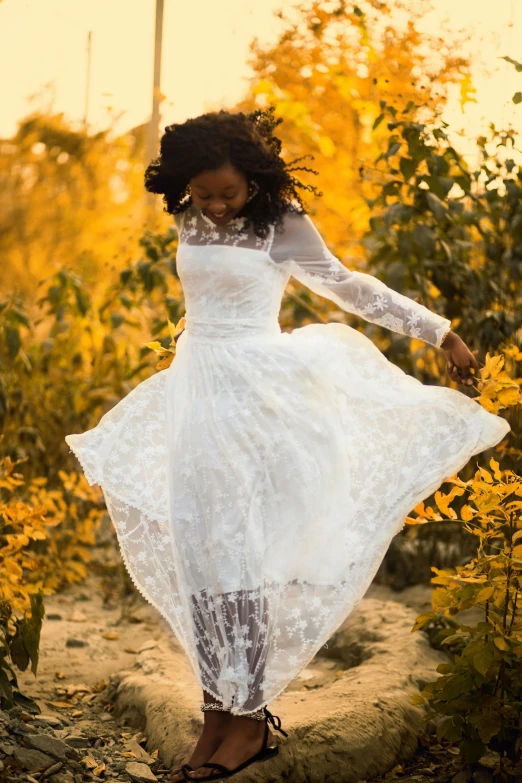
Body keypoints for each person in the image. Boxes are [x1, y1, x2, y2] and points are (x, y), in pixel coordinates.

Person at [65, 107, 510, 782]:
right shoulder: (186, 217)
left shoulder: (280, 223)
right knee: (200, 555)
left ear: (254, 179)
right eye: (203, 192)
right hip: (196, 393)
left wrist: (438, 331)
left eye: (227, 193)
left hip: (257, 397)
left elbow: (348, 284)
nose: (214, 207)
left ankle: (251, 719)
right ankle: (216, 710)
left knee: (239, 554)